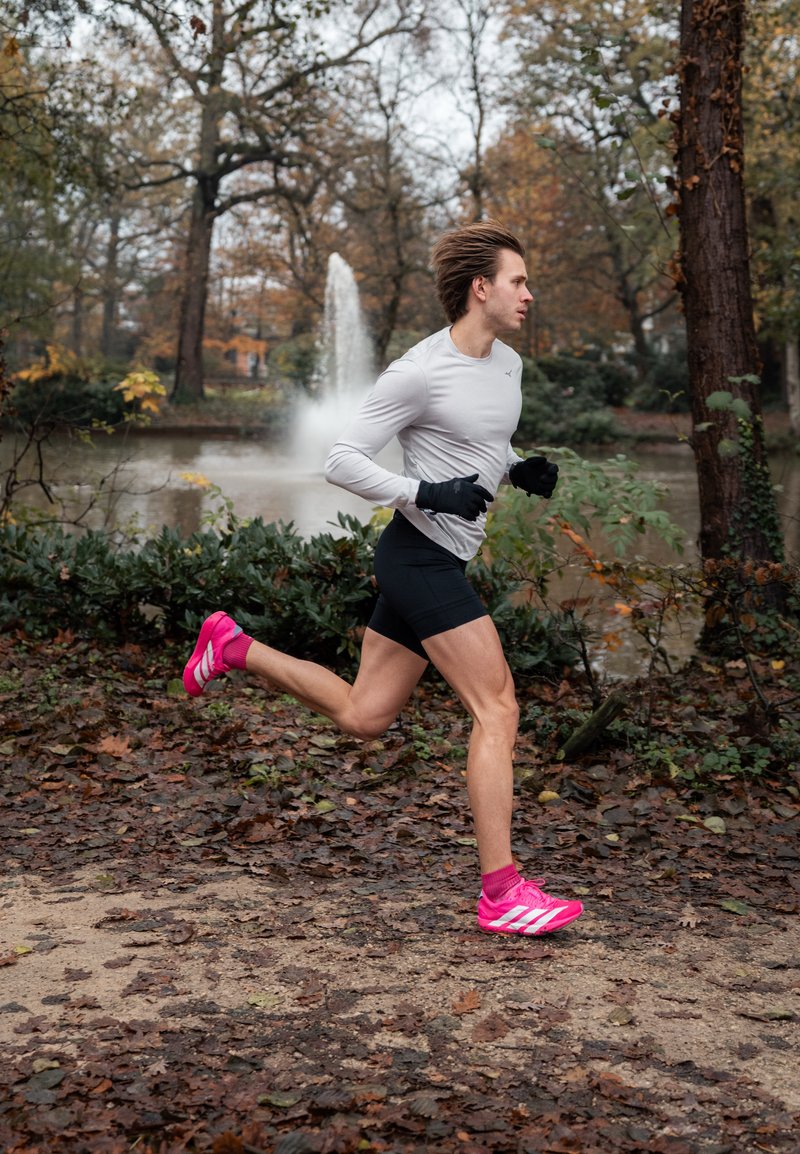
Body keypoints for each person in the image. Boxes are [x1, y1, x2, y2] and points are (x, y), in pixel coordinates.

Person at [183, 219, 583, 937]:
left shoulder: (507, 365)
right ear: (480, 288)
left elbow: (480, 436)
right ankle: (501, 892)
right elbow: (339, 460)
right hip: (418, 555)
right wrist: (424, 492)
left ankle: (233, 646)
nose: (530, 294)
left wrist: (516, 465)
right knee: (498, 709)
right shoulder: (418, 369)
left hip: (439, 556)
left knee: (364, 716)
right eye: (518, 281)